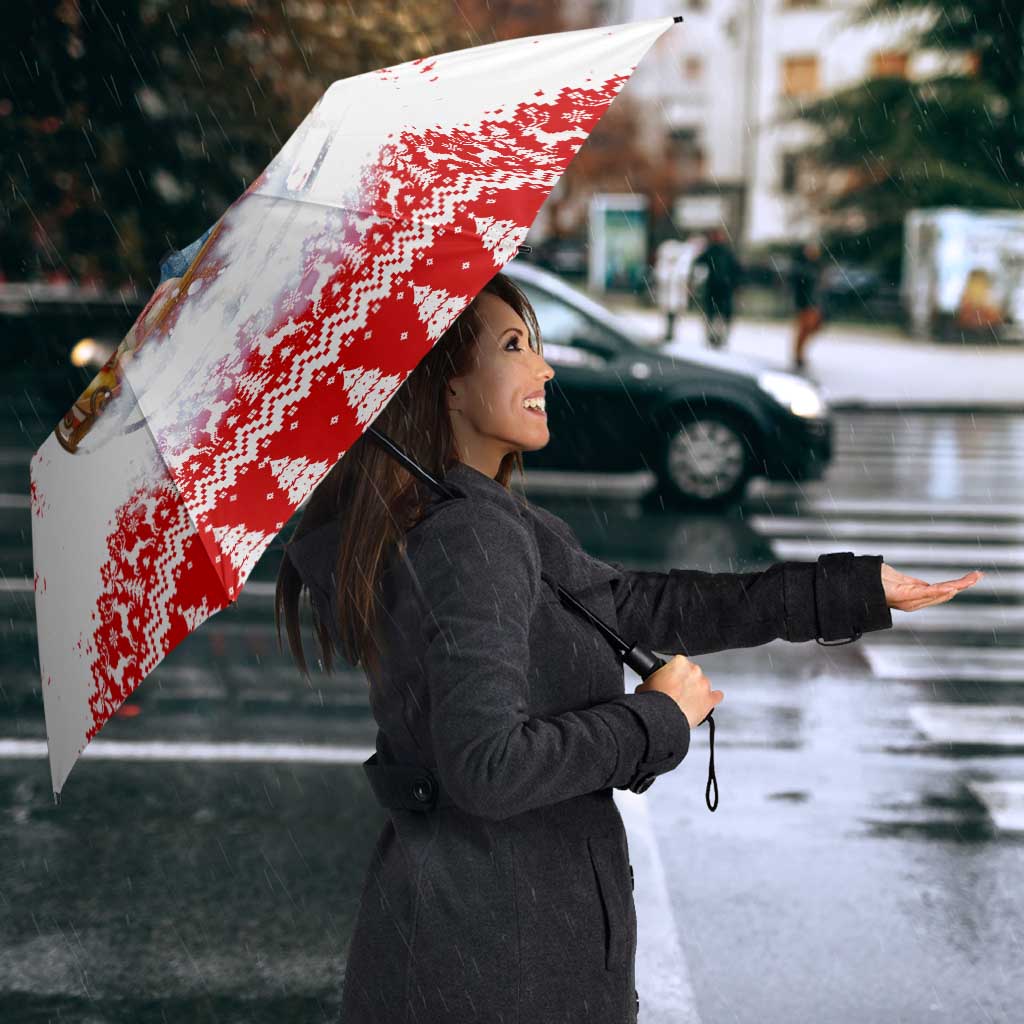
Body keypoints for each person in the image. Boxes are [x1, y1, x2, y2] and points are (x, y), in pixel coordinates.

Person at [267, 264, 957, 1024]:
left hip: (469, 943)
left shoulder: (465, 521)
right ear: (448, 388)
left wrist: (848, 590)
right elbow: (487, 768)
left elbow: (636, 603)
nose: (544, 368)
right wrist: (657, 719)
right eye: (514, 346)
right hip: (501, 966)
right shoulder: (470, 537)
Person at [692, 226, 742, 349]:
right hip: (716, 288)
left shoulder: (724, 252)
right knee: (714, 314)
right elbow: (698, 263)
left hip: (722, 289)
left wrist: (735, 284)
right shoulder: (714, 251)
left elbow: (736, 270)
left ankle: (719, 337)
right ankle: (713, 337)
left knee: (719, 315)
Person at [790, 239, 826, 371]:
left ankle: (799, 354)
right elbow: (799, 286)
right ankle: (798, 355)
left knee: (812, 327)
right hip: (805, 303)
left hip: (814, 303)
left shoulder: (816, 266)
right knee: (804, 329)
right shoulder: (802, 267)